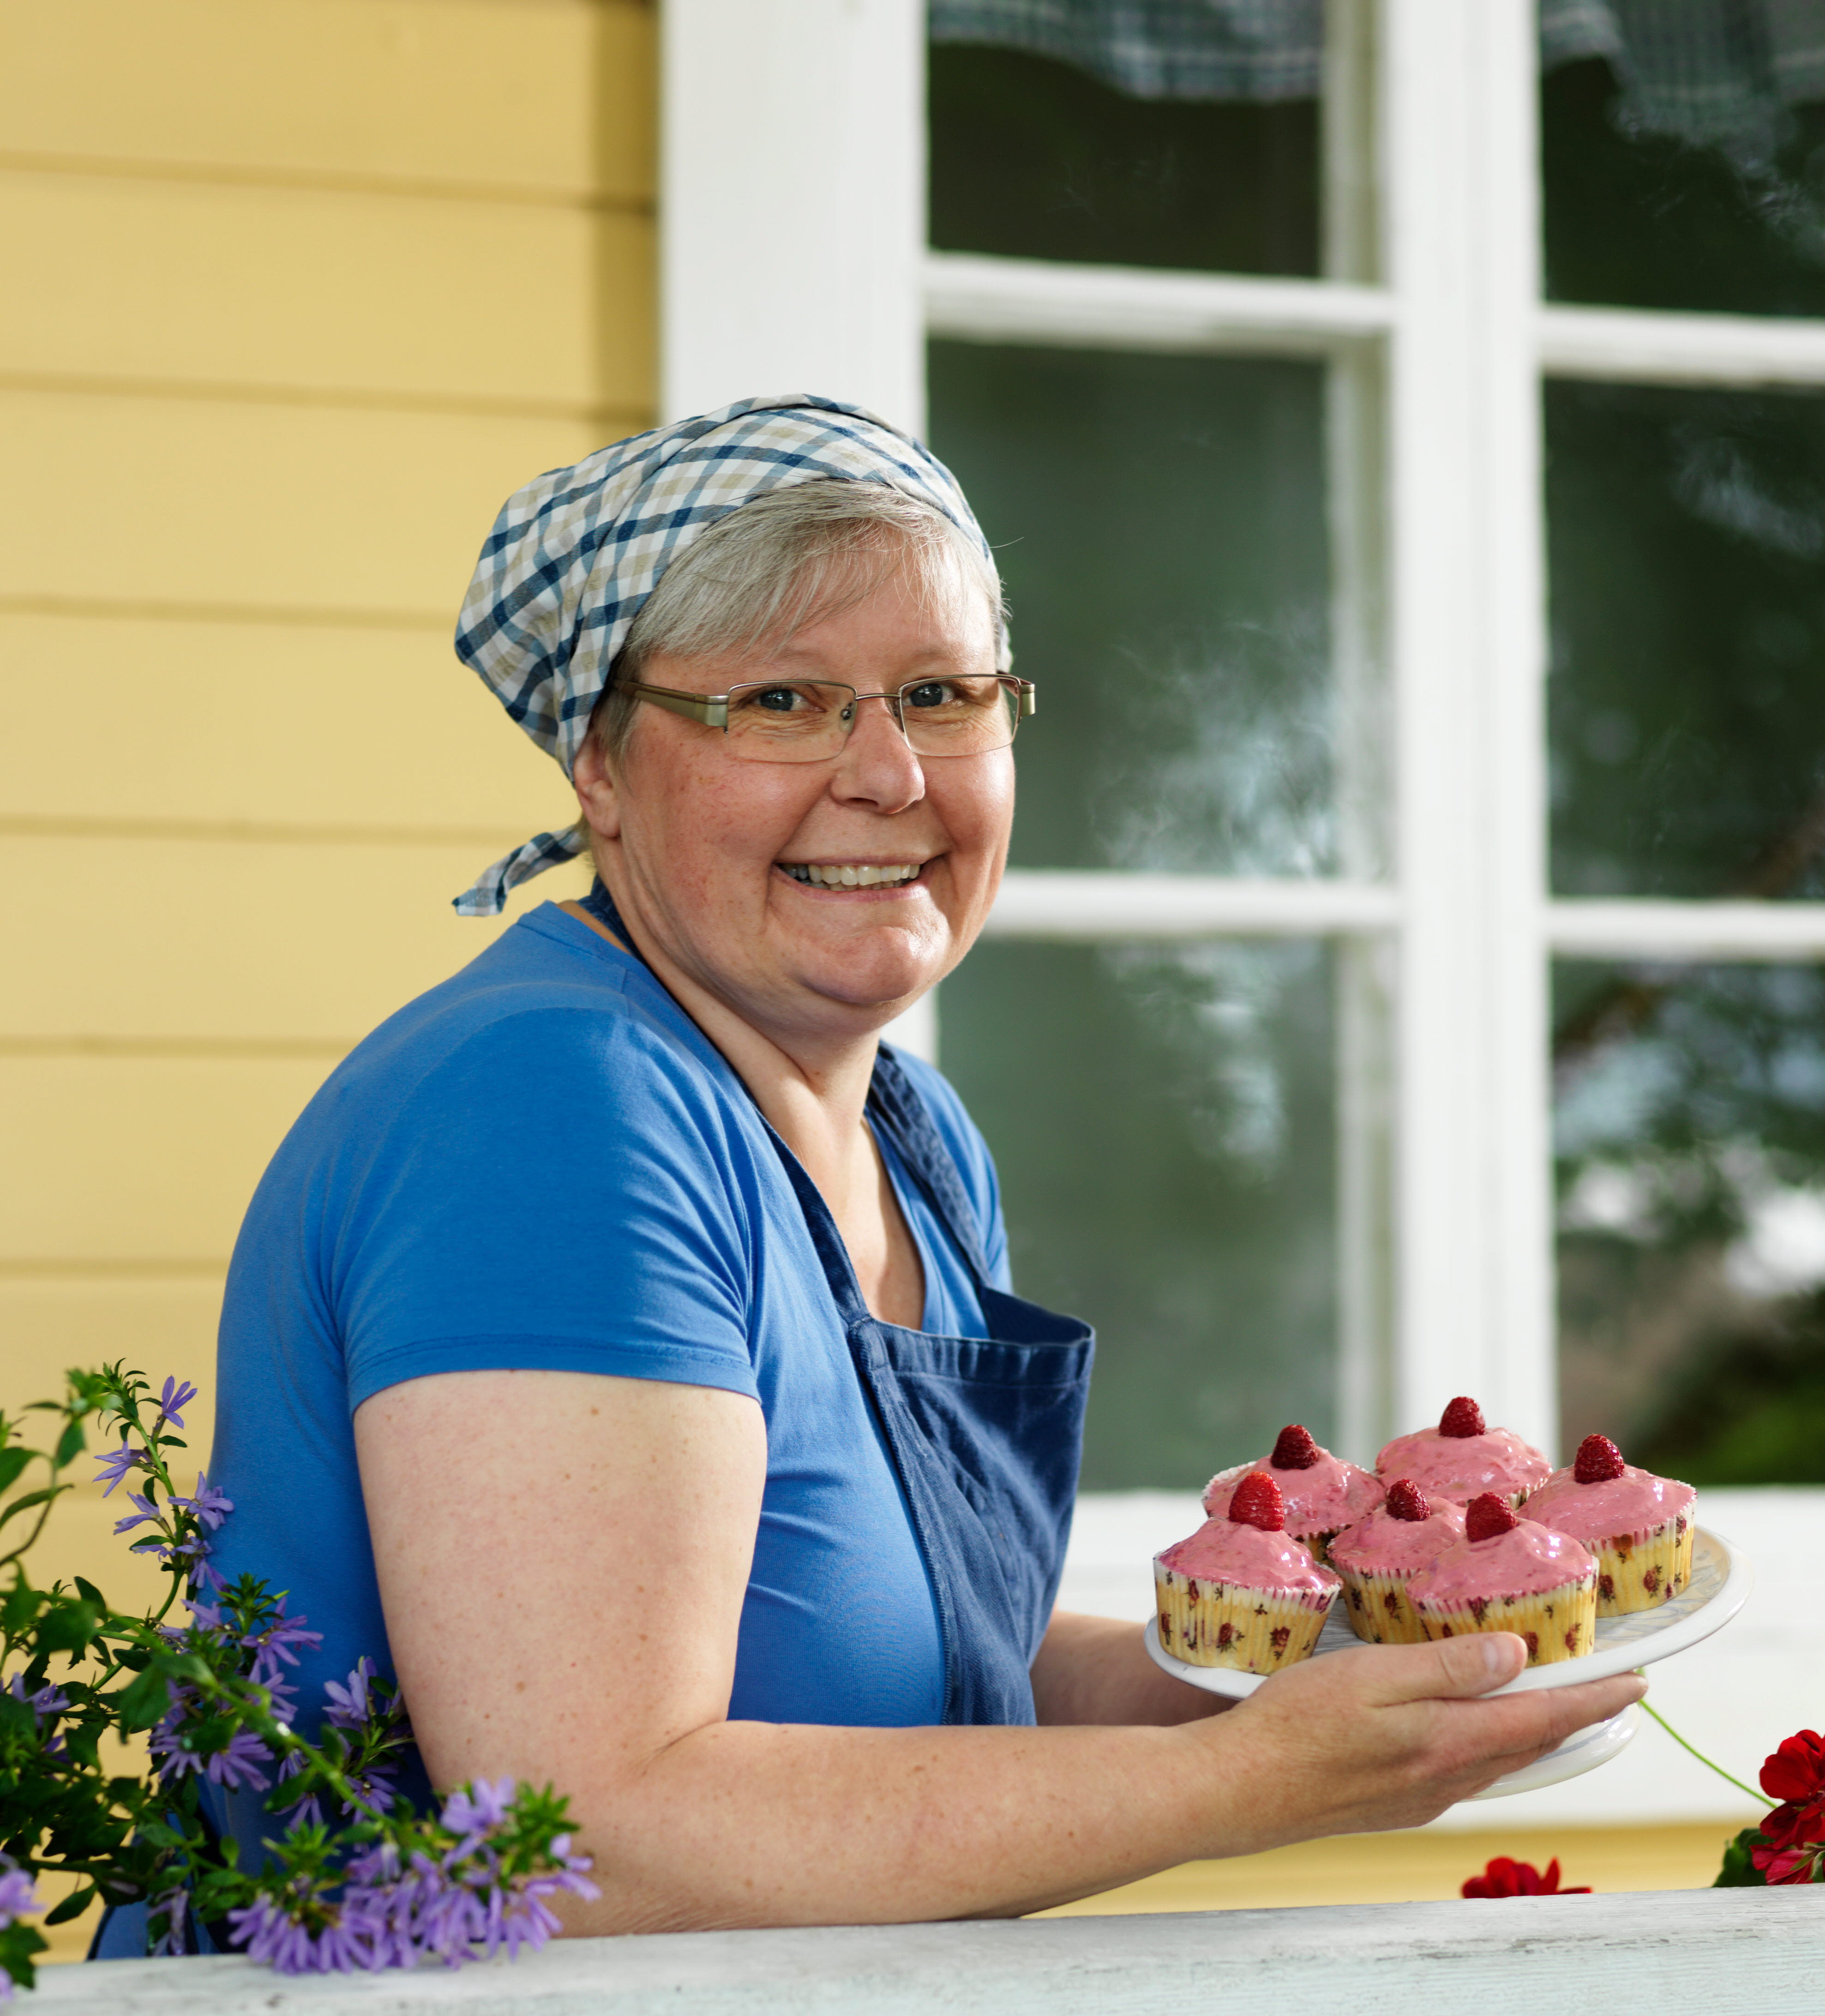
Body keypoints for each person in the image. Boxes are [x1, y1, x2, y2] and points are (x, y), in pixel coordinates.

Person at [197, 396, 1640, 1932]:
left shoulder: (910, 1133)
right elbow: (587, 1834)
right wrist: (1251, 1783)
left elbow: (933, 1673)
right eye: (781, 700)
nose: (888, 774)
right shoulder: (552, 1105)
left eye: (941, 693)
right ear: (598, 767)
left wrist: (1347, 1673)